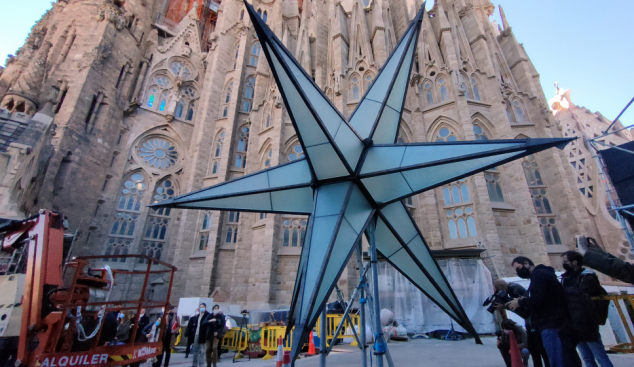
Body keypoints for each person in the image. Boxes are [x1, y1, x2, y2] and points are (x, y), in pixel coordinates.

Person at [506, 256, 580, 367]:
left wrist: (521, 302)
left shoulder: (538, 275)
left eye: (518, 268)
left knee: (558, 360)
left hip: (551, 324)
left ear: (526, 263)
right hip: (553, 324)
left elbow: (539, 299)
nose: (518, 272)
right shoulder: (541, 275)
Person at [561, 250, 613, 367]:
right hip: (573, 323)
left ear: (574, 262)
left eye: (565, 261)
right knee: (586, 357)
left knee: (600, 356)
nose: (564, 264)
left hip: (587, 323)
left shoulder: (587, 277)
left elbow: (582, 296)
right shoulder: (567, 278)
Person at [494, 280, 550, 367]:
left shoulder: (514, 289)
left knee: (538, 349)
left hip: (533, 322)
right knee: (534, 350)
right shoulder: (511, 290)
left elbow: (523, 309)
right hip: (530, 321)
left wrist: (505, 305)